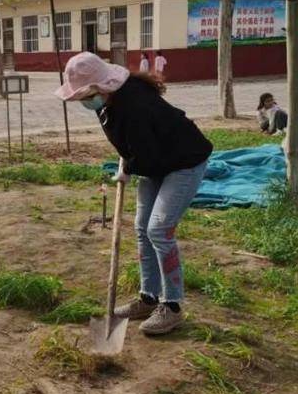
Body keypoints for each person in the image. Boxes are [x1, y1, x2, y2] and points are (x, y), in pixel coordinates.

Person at [55, 52, 213, 335]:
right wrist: (128, 162)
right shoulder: (109, 102)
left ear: (102, 86)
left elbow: (146, 152)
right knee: (141, 229)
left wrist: (131, 165)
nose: (83, 101)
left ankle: (173, 306)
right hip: (156, 161)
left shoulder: (134, 104)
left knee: (159, 229)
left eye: (85, 95)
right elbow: (133, 145)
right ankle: (148, 299)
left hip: (184, 161)